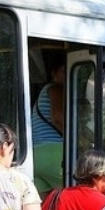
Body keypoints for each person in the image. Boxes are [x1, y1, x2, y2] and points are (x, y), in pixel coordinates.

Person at [32, 59, 65, 194]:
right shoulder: (55, 88)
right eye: (64, 71)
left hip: (37, 156)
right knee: (77, 192)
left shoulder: (43, 93)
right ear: (54, 73)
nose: (67, 76)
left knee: (45, 206)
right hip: (54, 154)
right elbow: (58, 118)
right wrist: (77, 140)